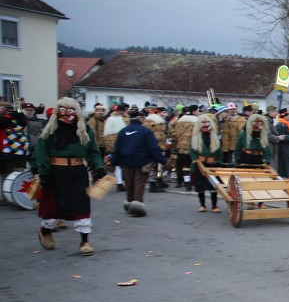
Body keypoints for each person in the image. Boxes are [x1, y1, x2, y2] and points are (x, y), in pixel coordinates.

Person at [32, 98, 107, 255]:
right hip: (55, 172)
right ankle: (45, 230)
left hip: (78, 172)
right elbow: (41, 152)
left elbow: (93, 151)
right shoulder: (50, 130)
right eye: (63, 109)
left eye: (71, 109)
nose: (68, 114)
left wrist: (99, 168)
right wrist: (44, 173)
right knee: (54, 208)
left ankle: (84, 241)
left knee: (81, 207)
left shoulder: (84, 130)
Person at [110, 106, 166, 216]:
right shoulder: (145, 131)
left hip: (126, 161)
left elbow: (117, 148)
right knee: (139, 183)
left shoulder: (123, 131)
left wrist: (113, 162)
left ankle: (130, 203)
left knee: (129, 183)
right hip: (142, 161)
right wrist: (162, 160)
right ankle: (137, 207)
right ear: (140, 118)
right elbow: (153, 148)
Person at [189, 113, 224, 213]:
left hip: (213, 165)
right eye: (203, 122)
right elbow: (191, 150)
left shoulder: (215, 137)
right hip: (199, 165)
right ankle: (202, 204)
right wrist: (195, 159)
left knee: (213, 186)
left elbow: (219, 152)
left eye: (207, 122)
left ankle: (214, 206)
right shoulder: (195, 137)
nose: (205, 124)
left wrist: (219, 162)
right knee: (200, 186)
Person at [168, 106, 199, 189]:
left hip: (179, 145)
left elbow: (170, 126)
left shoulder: (178, 120)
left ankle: (179, 181)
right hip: (190, 146)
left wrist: (175, 137)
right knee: (188, 165)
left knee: (179, 165)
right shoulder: (196, 121)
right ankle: (187, 183)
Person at [0, 100, 30, 175]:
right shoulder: (20, 118)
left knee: (6, 177)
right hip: (21, 151)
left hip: (8, 152)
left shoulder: (6, 119)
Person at [273, 107, 289, 176]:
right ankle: (286, 176)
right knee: (286, 163)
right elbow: (280, 136)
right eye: (288, 115)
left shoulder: (285, 124)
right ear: (284, 116)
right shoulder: (280, 125)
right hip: (283, 148)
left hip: (287, 147)